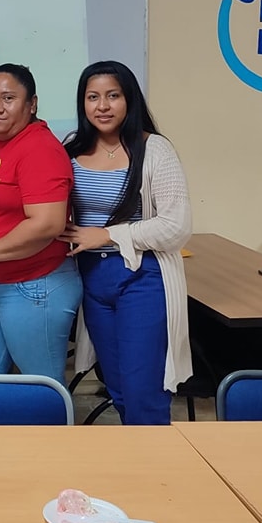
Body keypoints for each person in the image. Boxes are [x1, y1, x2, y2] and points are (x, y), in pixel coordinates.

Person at [61, 61, 192, 424]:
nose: (102, 106)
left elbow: (176, 227)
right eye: (93, 97)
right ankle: (137, 454)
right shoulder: (71, 147)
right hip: (92, 279)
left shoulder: (155, 149)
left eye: (113, 96)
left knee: (143, 392)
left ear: (129, 99)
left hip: (141, 276)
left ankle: (156, 460)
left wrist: (107, 234)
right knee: (117, 387)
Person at [0, 64, 81, 382]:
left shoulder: (40, 148)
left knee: (41, 387)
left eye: (8, 98)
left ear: (32, 104)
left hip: (34, 285)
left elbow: (47, 224)